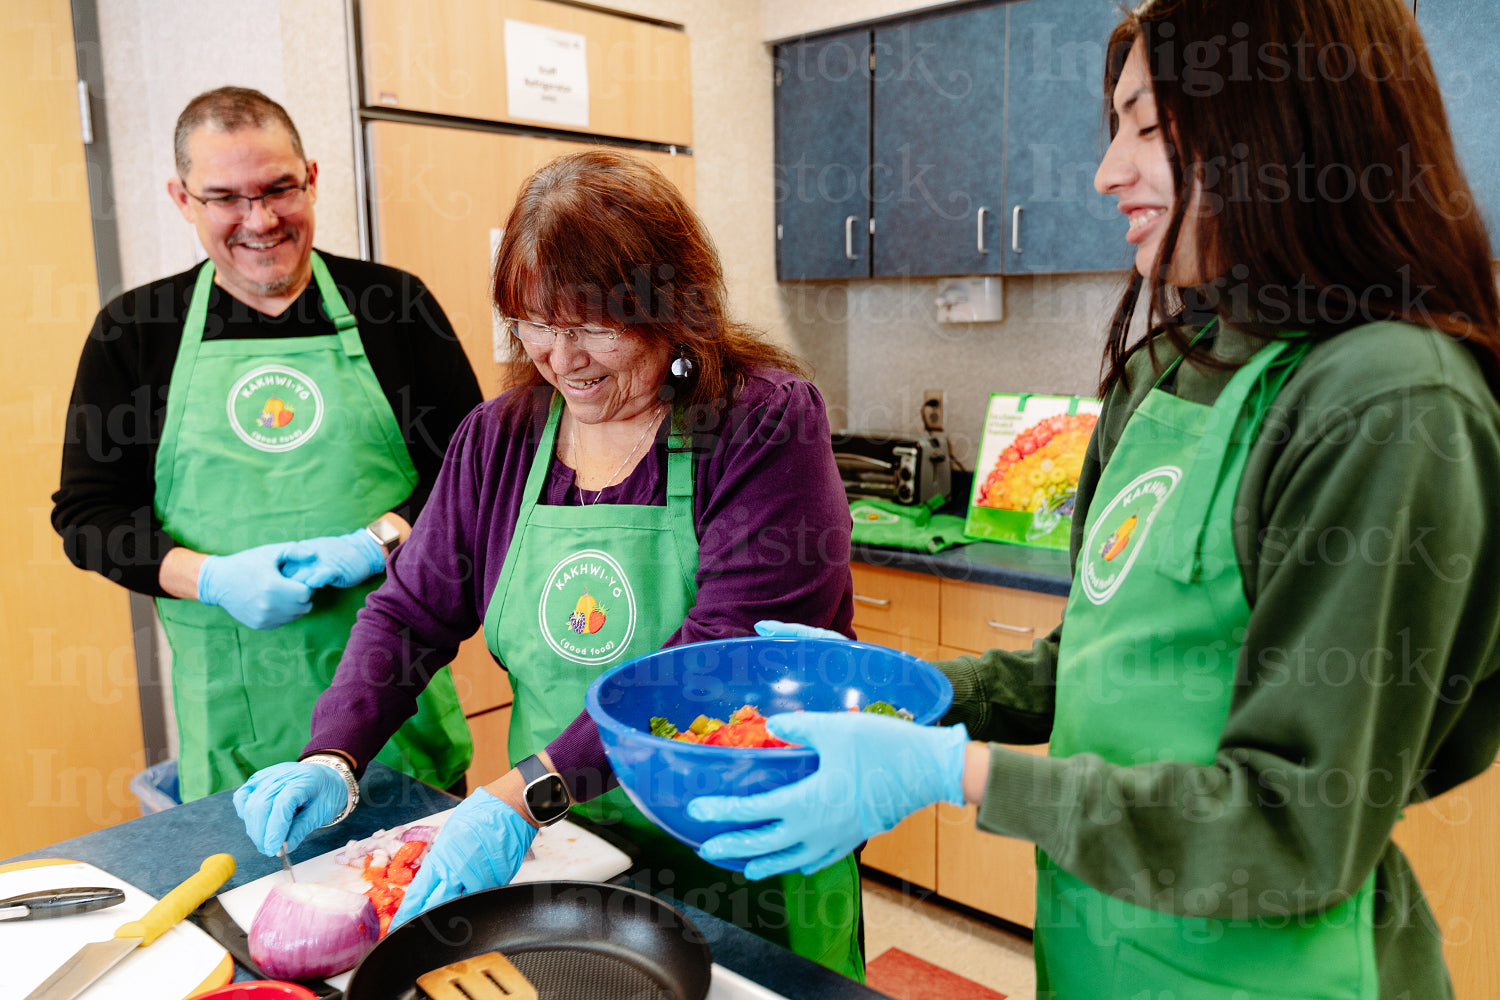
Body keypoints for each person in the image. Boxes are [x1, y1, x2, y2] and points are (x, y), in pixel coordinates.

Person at [686, 2, 1500, 998]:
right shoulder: (1170, 367)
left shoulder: (1389, 400)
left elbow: (1296, 827)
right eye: (1114, 129)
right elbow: (1094, 663)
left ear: (1291, 121)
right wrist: (910, 690)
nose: (1107, 171)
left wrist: (951, 773)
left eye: (1150, 127)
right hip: (1099, 947)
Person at [233, 149, 865, 979]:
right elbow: (409, 613)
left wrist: (523, 790)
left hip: (747, 844)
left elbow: (721, 659)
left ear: (673, 305)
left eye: (594, 325)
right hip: (567, 848)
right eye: (534, 322)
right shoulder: (500, 439)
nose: (560, 358)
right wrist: (334, 752)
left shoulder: (759, 424)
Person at [52, 87, 481, 803]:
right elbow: (88, 518)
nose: (260, 220)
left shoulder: (395, 306)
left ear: (311, 177)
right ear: (182, 198)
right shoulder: (134, 331)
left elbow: (474, 475)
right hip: (235, 728)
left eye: (279, 189)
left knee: (424, 906)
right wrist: (212, 577)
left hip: (397, 716)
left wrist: (381, 539)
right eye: (225, 197)